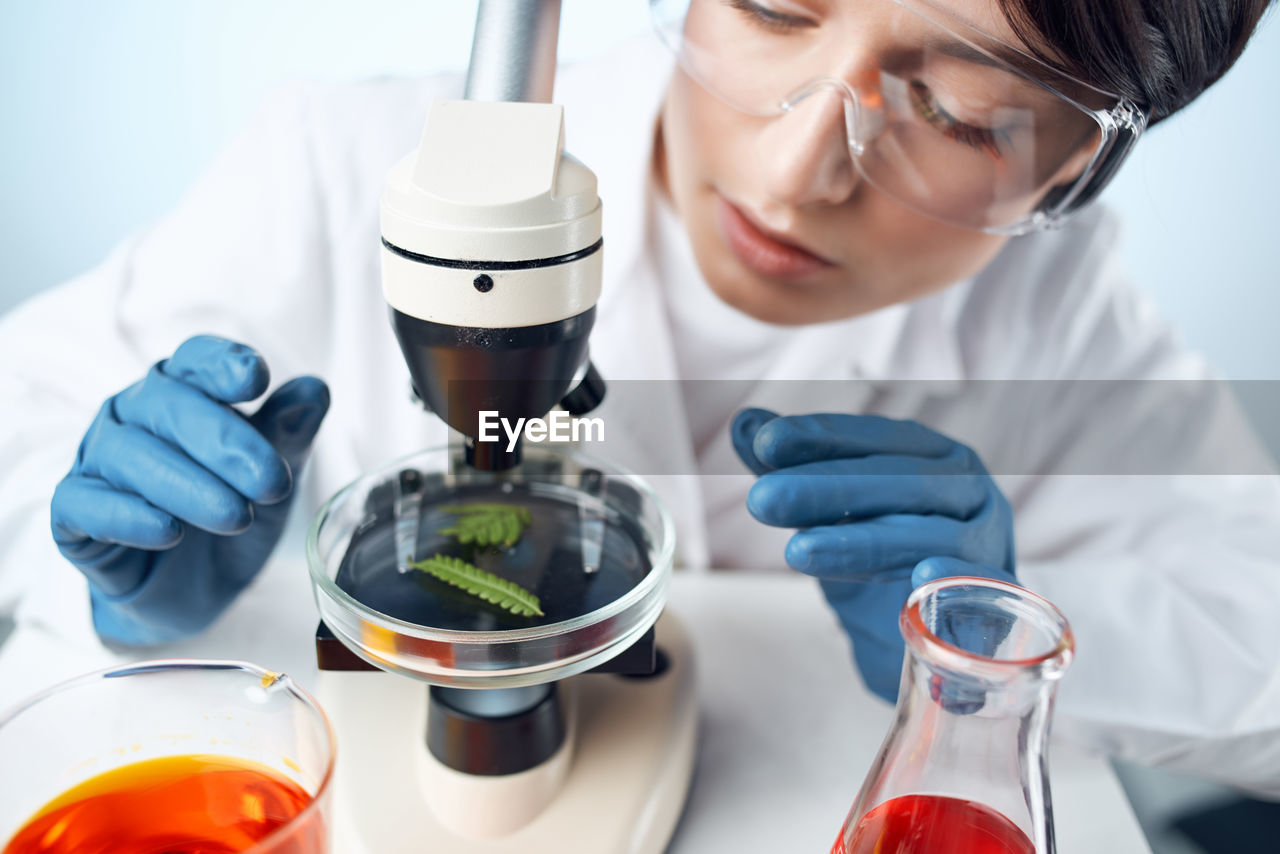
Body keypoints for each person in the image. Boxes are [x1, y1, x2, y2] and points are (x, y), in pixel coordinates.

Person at [1, 0, 1278, 796]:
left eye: (959, 112)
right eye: (774, 6)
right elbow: (26, 410)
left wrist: (995, 649)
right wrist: (112, 572)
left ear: (1079, 171)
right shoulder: (334, 163)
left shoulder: (1055, 316)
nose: (792, 177)